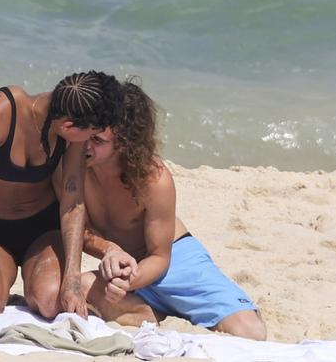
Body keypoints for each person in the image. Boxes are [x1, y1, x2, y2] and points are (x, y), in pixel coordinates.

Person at [77, 80, 267, 340]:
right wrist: (111, 251)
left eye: (97, 140)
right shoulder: (76, 166)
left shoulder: (153, 178)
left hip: (173, 259)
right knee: (72, 288)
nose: (86, 144)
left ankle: (152, 304)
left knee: (250, 332)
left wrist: (130, 281)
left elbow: (159, 257)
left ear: (123, 142)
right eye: (86, 134)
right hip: (123, 265)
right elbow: (77, 227)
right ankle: (145, 312)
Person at [0, 71, 123, 319]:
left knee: (53, 303)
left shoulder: (73, 124)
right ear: (67, 126)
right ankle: (1, 286)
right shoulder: (1, 111)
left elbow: (72, 200)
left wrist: (72, 280)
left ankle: (33, 288)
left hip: (42, 228)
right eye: (91, 134)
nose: (90, 142)